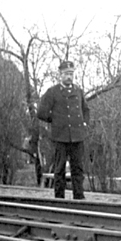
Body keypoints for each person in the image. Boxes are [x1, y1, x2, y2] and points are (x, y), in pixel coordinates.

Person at [37, 60, 89, 199]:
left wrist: (84, 123)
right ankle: (59, 198)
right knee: (59, 168)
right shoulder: (53, 92)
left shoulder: (78, 91)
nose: (69, 77)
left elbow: (86, 110)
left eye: (71, 74)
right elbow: (41, 112)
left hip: (77, 136)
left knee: (78, 168)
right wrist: (55, 121)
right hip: (60, 136)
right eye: (66, 74)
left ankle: (79, 196)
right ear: (60, 74)